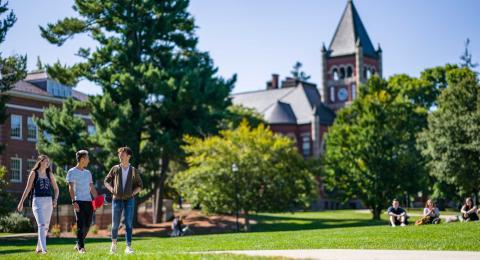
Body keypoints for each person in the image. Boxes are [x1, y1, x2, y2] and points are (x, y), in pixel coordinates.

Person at [17, 155, 59, 254]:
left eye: (48, 162)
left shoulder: (50, 174)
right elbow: (27, 188)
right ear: (40, 162)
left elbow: (56, 189)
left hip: (48, 201)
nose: (48, 163)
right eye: (46, 161)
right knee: (41, 224)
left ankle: (38, 248)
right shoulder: (34, 173)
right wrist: (21, 202)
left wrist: (55, 199)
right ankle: (44, 249)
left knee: (46, 227)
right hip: (37, 202)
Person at [104, 146, 143, 254]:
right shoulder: (115, 168)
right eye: (119, 154)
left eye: (122, 154)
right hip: (116, 200)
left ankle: (128, 247)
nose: (120, 156)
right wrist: (111, 189)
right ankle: (113, 245)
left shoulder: (134, 170)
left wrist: (132, 193)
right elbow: (106, 181)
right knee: (115, 224)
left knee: (129, 224)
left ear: (128, 156)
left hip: (129, 200)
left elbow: (140, 185)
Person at [67, 150, 98, 254]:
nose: (89, 160)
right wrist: (73, 201)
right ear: (82, 159)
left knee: (88, 224)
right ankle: (81, 247)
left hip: (89, 201)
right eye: (87, 158)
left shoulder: (88, 173)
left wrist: (97, 199)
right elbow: (70, 187)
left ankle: (78, 243)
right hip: (78, 201)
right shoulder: (71, 171)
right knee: (80, 224)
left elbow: (92, 187)